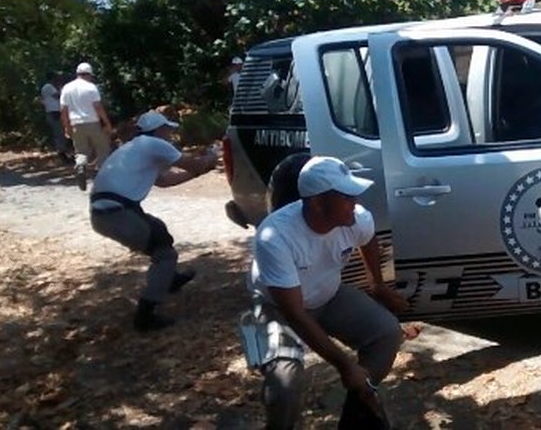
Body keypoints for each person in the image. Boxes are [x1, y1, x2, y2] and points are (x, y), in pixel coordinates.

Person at [248, 155, 408, 429]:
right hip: (280, 308)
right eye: (346, 197)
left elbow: (369, 240)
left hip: (328, 294)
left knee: (387, 333)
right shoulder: (275, 236)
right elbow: (296, 314)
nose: (355, 203)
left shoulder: (356, 219)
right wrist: (345, 365)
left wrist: (377, 285)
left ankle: (357, 417)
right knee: (285, 379)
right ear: (317, 203)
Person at [89, 110, 218, 332]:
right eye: (168, 129)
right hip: (117, 212)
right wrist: (211, 157)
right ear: (159, 130)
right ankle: (145, 316)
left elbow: (165, 181)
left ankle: (169, 279)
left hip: (104, 212)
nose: (170, 134)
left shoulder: (134, 147)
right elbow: (193, 165)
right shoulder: (153, 144)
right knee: (166, 255)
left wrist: (199, 173)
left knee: (157, 229)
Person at [59, 62, 113, 190]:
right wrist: (106, 123)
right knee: (102, 149)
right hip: (92, 123)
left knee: (81, 151)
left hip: (76, 124)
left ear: (77, 73)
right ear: (89, 74)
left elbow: (63, 110)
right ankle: (102, 176)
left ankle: (81, 166)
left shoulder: (67, 88)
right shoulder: (91, 87)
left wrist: (66, 126)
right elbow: (98, 107)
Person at [39, 72, 72, 163]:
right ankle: (62, 154)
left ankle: (63, 152)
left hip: (54, 112)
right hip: (54, 113)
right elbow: (58, 96)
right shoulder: (48, 87)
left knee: (60, 133)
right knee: (59, 133)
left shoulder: (48, 87)